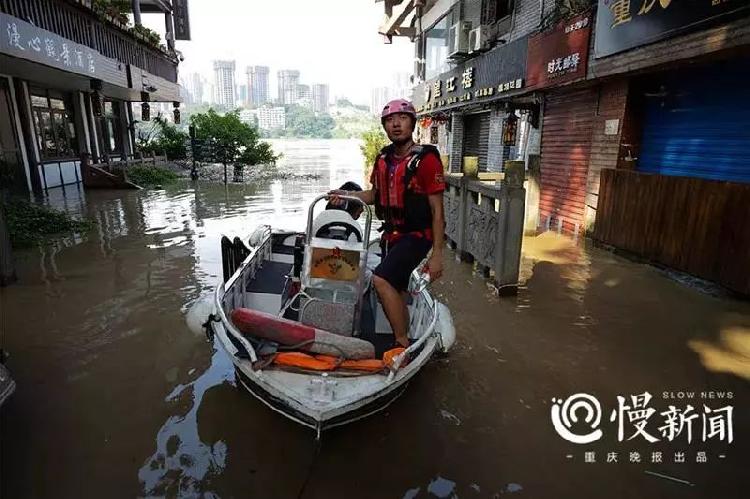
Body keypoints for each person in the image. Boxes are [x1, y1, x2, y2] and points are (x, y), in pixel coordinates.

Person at [329, 98, 445, 349]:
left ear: (412, 123)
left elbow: (437, 210)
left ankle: (401, 345)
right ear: (384, 126)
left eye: (402, 119)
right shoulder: (383, 158)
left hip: (417, 235)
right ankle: (408, 339)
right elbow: (374, 196)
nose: (396, 124)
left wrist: (437, 255)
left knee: (381, 279)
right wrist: (345, 195)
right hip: (391, 235)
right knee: (398, 289)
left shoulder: (425, 160)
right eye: (390, 120)